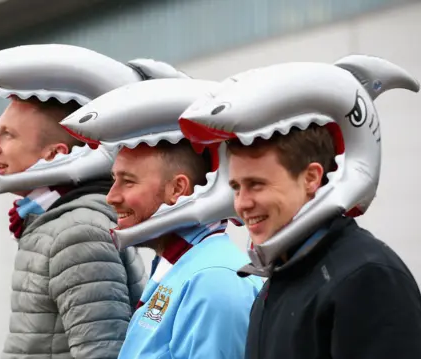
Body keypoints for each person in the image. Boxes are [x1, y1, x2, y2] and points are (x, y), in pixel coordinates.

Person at [178, 56, 421, 358]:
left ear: (311, 178)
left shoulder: (366, 277)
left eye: (257, 185)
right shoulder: (275, 283)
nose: (242, 204)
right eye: (236, 187)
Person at [0, 44, 189, 358]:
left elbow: (102, 352)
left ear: (56, 154)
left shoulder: (76, 232)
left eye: (8, 135)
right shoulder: (57, 223)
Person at [59, 77, 263, 358]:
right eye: (113, 180)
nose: (111, 196)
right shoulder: (184, 266)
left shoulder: (214, 280)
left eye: (128, 182)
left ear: (177, 189)